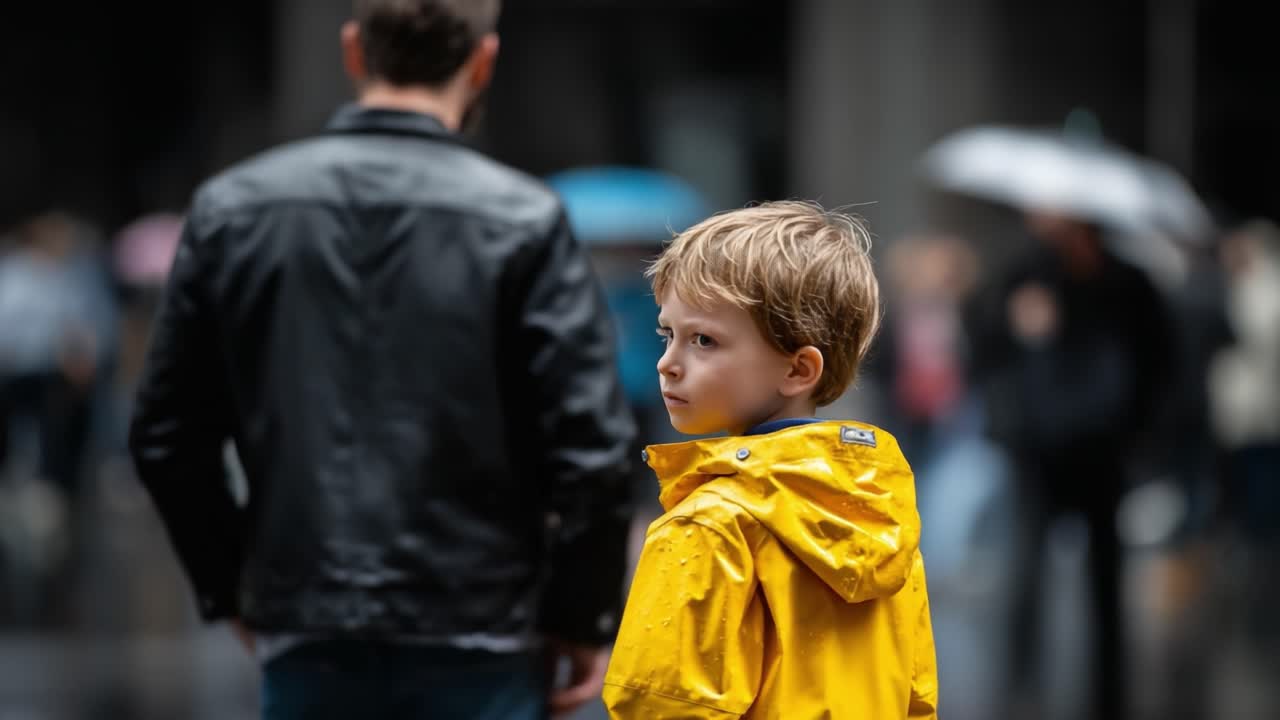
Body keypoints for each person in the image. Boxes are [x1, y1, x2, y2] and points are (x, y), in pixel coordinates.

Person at [127, 2, 635, 719]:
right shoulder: (525, 218)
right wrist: (580, 616)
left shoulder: (233, 208)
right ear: (484, 61)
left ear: (353, 51)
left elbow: (166, 437)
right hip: (481, 624)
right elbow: (593, 450)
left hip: (306, 619)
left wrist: (230, 586)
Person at [602, 201, 939, 719]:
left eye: (704, 341)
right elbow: (916, 698)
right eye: (667, 334)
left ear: (798, 369)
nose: (668, 364)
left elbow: (664, 706)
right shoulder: (882, 512)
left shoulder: (709, 524)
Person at [968, 211, 1174, 720]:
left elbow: (1161, 359)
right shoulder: (1027, 274)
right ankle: (1020, 688)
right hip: (1039, 448)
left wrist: (1138, 431)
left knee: (1106, 575)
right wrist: (1019, 325)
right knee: (1026, 571)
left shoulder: (1128, 282)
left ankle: (1110, 693)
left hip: (1103, 449)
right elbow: (983, 344)